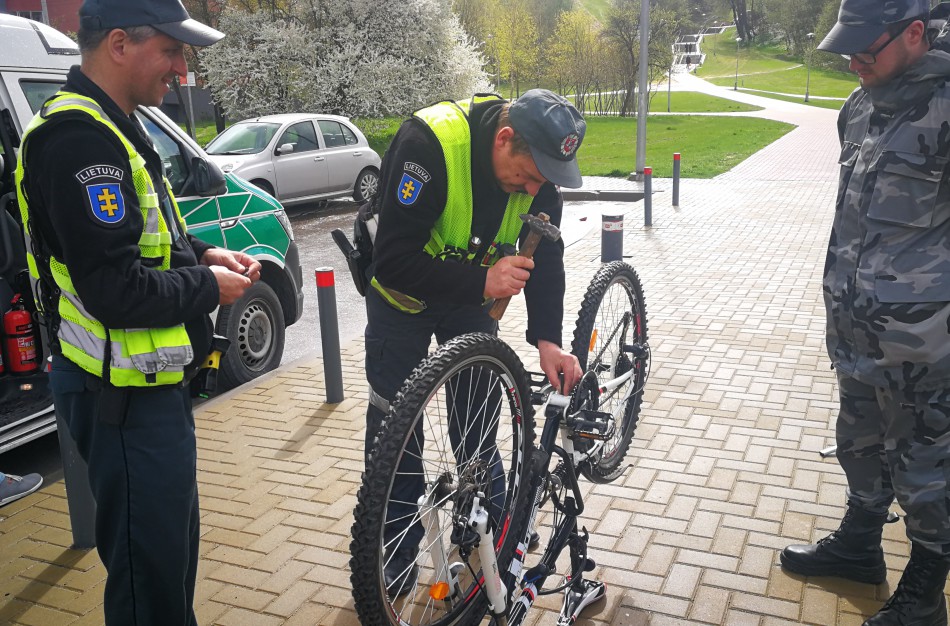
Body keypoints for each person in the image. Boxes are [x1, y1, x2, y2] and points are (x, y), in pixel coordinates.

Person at [14, 1, 260, 623]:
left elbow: (142, 238)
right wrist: (207, 286)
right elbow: (115, 290)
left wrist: (204, 252)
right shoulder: (76, 143)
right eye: (172, 51)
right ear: (119, 44)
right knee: (147, 579)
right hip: (118, 397)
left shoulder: (116, 125)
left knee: (169, 557)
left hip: (146, 387)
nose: (181, 69)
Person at [363, 89, 585, 594]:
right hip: (401, 299)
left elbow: (545, 255)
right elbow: (392, 260)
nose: (533, 189)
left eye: (543, 182)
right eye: (527, 177)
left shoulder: (541, 173)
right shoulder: (429, 144)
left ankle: (488, 538)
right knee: (395, 432)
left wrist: (548, 339)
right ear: (504, 139)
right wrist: (481, 283)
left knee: (478, 421)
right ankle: (391, 554)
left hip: (470, 301)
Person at [779, 1, 950, 624]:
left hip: (925, 346)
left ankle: (926, 594)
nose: (852, 62)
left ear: (913, 34)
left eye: (864, 50)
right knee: (859, 441)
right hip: (856, 331)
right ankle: (859, 548)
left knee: (926, 467)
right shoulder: (859, 107)